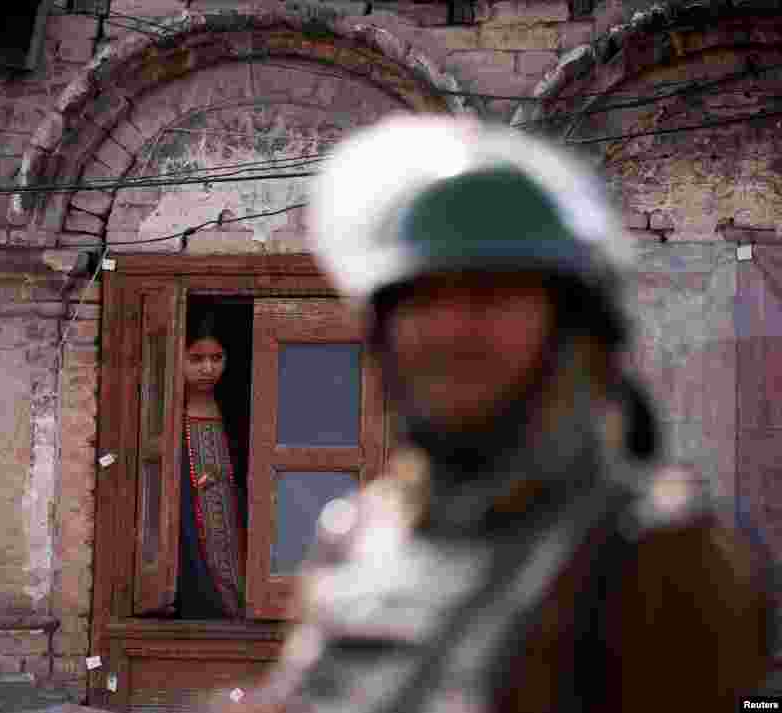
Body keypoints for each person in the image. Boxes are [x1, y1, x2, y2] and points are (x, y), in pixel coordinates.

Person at [250, 116, 772, 712]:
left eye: (489, 295)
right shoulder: (357, 536)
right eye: (423, 298)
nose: (451, 329)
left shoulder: (655, 551)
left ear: (572, 333)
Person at [176, 310, 246, 620]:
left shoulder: (239, 409)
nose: (208, 368)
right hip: (190, 522)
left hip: (232, 516)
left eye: (216, 358)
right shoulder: (166, 412)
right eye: (196, 359)